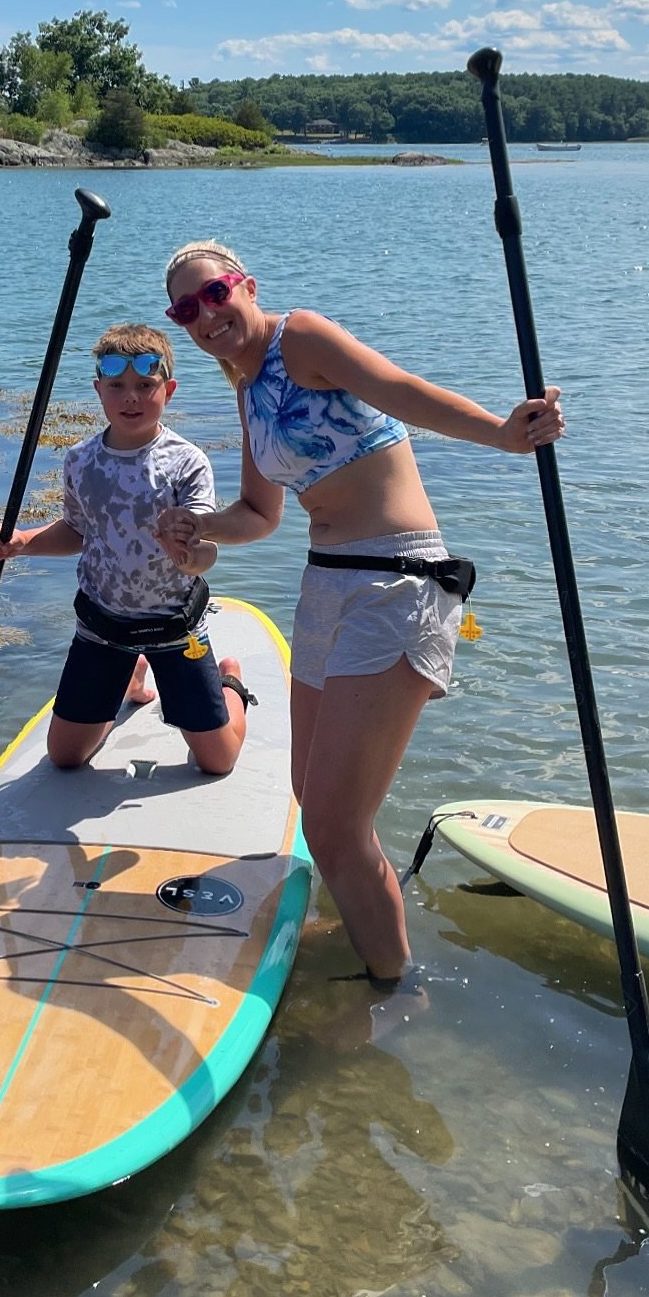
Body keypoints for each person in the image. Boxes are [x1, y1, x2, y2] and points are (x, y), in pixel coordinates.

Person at [154, 241, 563, 984]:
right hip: (325, 586)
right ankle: (369, 932)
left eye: (214, 294)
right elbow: (258, 512)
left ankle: (392, 995)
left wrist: (503, 436)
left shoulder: (299, 335)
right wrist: (198, 527)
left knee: (335, 829)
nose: (204, 316)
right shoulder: (247, 388)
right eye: (185, 309)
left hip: (394, 581)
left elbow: (400, 390)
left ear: (245, 285)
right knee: (316, 801)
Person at [0, 322, 255, 775]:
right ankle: (132, 675)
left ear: (168, 389)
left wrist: (190, 555)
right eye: (117, 386)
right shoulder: (81, 460)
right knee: (65, 758)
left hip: (174, 627)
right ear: (99, 391)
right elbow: (76, 532)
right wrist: (22, 543)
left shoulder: (187, 462)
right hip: (101, 627)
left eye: (145, 386)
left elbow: (207, 551)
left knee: (218, 762)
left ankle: (229, 680)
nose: (131, 397)